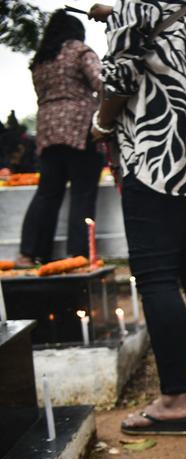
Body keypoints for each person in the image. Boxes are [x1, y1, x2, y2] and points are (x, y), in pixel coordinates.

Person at [90, 0, 186, 436]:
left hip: (152, 152)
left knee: (157, 274)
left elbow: (121, 76)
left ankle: (174, 401)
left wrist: (103, 124)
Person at [16, 10, 104, 267]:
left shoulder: (42, 60)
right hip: (79, 127)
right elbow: (101, 81)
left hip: (47, 130)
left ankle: (30, 252)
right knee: (82, 193)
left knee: (47, 193)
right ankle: (78, 254)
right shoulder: (79, 51)